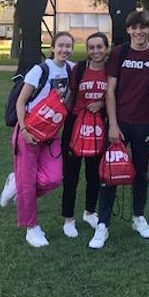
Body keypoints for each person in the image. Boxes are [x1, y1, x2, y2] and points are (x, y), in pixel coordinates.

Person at [0, 31, 75, 248]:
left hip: (51, 135)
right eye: (60, 45)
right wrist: (23, 129)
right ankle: (32, 228)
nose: (64, 50)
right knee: (28, 182)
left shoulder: (71, 69)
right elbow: (21, 102)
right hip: (29, 132)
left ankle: (18, 187)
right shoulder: (39, 70)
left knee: (53, 178)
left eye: (68, 46)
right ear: (52, 48)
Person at [89, 11, 149, 249]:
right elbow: (110, 91)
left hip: (145, 123)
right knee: (109, 174)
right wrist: (114, 124)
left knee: (140, 173)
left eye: (143, 27)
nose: (138, 32)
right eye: (133, 28)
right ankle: (103, 224)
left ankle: (138, 217)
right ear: (128, 30)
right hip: (120, 123)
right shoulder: (120, 52)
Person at [61, 32, 109, 239]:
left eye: (100, 47)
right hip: (75, 125)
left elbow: (116, 97)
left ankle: (89, 211)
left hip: (98, 128)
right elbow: (70, 95)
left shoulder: (111, 71)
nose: (96, 51)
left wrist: (103, 103)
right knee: (71, 175)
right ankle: (68, 219)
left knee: (93, 174)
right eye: (92, 47)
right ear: (87, 50)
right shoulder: (79, 69)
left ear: (106, 48)